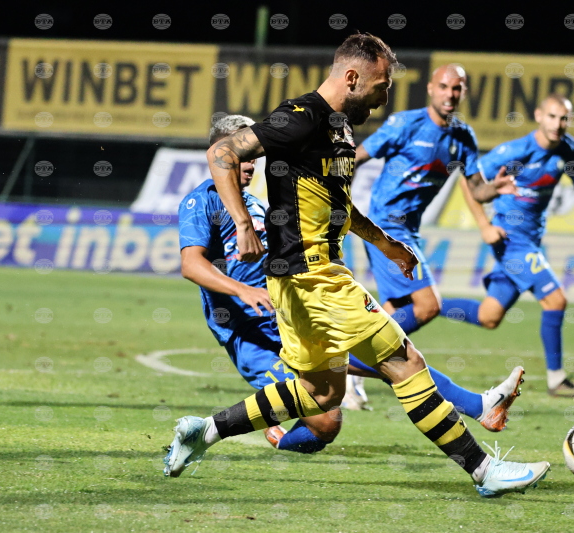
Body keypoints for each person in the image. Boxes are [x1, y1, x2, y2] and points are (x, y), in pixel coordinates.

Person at [163, 33, 549, 498]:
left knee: (323, 394)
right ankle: (485, 471)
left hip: (303, 281)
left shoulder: (339, 129)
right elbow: (222, 154)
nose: (383, 98)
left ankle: (204, 431)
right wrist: (243, 224)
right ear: (351, 77)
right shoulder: (300, 116)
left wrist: (386, 244)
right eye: (381, 86)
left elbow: (340, 204)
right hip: (314, 277)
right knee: (406, 362)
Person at [175, 114, 526, 455]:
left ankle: (481, 406)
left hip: (294, 315)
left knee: (393, 359)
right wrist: (244, 291)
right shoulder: (201, 201)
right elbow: (191, 265)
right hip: (252, 336)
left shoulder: (257, 204)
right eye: (245, 156)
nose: (252, 164)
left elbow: (336, 211)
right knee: (327, 422)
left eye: (254, 157)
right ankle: (273, 437)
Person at [440, 94, 574, 398]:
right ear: (539, 116)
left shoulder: (568, 150)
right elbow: (468, 180)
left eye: (564, 118)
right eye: (552, 117)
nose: (558, 124)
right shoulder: (515, 151)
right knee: (556, 301)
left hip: (530, 241)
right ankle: (557, 380)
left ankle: (426, 304)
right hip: (510, 240)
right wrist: (484, 226)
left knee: (489, 316)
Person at [353, 64, 515, 335]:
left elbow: (477, 190)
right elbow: (357, 157)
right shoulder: (406, 124)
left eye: (456, 89)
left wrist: (495, 188)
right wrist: (339, 197)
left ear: (464, 93)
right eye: (443, 87)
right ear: (430, 89)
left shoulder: (463, 137)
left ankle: (355, 359)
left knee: (397, 310)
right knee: (428, 305)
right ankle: (354, 355)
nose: (449, 94)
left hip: (408, 230)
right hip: (386, 226)